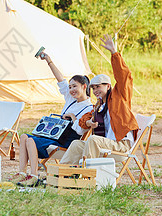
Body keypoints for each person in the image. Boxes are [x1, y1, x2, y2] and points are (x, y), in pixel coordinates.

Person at [11, 51, 93, 187]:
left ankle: (34, 175)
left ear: (84, 87)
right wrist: (48, 60)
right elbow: (60, 79)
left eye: (75, 86)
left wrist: (73, 118)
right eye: (71, 87)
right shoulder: (71, 99)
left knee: (31, 140)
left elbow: (80, 131)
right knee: (24, 136)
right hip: (56, 135)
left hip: (68, 141)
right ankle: (22, 173)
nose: (71, 89)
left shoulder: (89, 108)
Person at [59, 34, 139, 164]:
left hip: (121, 145)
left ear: (108, 86)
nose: (95, 91)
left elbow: (124, 76)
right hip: (105, 143)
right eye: (93, 88)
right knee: (76, 144)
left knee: (93, 139)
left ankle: (88, 176)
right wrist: (87, 123)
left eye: (98, 87)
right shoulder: (99, 105)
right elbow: (86, 119)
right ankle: (61, 175)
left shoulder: (120, 97)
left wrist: (114, 53)